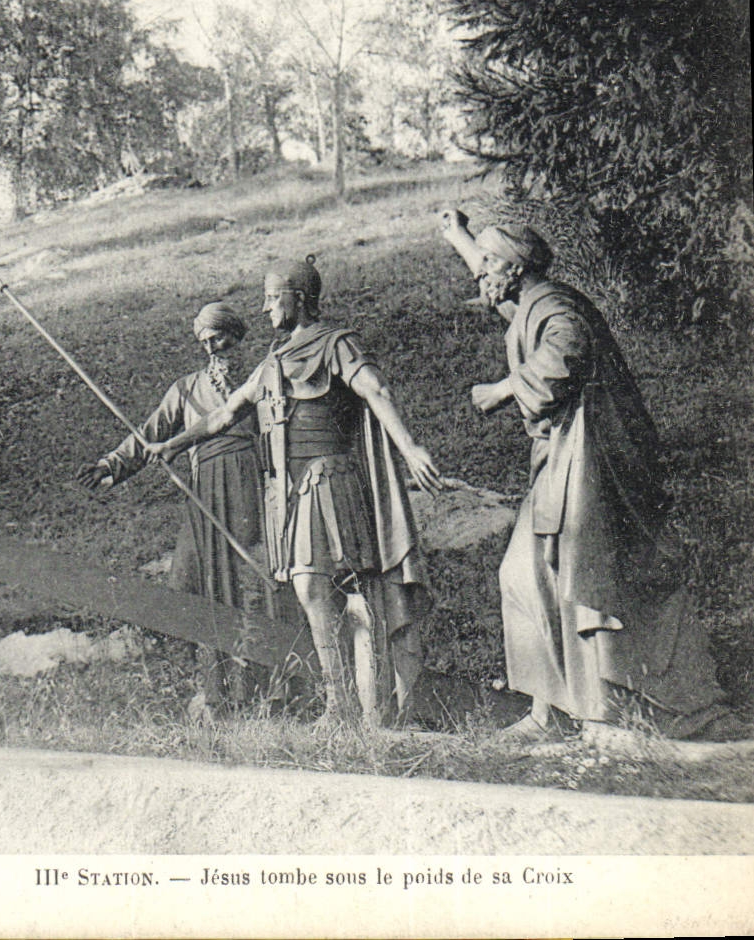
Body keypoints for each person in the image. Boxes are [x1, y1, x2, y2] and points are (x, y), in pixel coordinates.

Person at [438, 210, 729, 741]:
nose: (479, 275)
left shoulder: (557, 307)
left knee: (586, 577)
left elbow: (562, 360)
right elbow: (508, 304)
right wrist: (461, 239)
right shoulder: (533, 302)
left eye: (488, 265)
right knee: (524, 575)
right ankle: (550, 710)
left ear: (517, 267)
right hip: (564, 458)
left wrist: (502, 389)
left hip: (594, 461)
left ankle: (610, 712)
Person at [153, 257, 442, 726]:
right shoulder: (274, 361)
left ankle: (375, 708)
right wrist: (174, 443)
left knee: (352, 590)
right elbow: (226, 413)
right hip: (294, 491)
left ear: (298, 298)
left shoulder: (335, 344)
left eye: (272, 298)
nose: (266, 309)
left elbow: (376, 389)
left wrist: (410, 448)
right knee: (310, 590)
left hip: (334, 481)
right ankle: (339, 702)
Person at [77, 302, 289, 717]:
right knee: (209, 588)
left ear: (238, 335)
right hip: (207, 493)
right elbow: (151, 434)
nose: (213, 348)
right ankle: (217, 693)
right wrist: (111, 465)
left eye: (220, 337)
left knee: (260, 583)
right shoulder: (187, 389)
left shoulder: (263, 377)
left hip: (257, 488)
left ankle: (273, 693)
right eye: (205, 342)